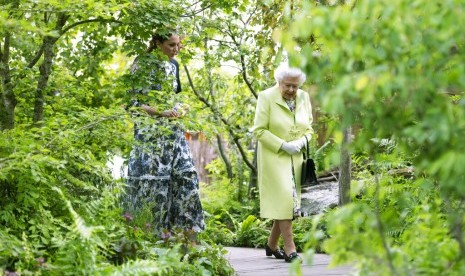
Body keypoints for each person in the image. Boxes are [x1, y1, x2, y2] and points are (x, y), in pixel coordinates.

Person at [124, 31, 205, 242]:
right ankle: (150, 238)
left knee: (186, 178)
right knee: (154, 186)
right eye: (171, 45)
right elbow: (131, 105)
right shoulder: (142, 63)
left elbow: (177, 98)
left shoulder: (174, 66)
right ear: (158, 43)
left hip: (174, 133)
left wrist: (181, 109)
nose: (176, 49)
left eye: (178, 45)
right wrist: (160, 112)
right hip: (149, 136)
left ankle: (187, 238)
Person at [251, 63, 313, 262]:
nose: (292, 90)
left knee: (289, 202)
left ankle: (271, 244)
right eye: (287, 85)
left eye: (295, 86)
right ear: (279, 82)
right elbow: (259, 130)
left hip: (296, 157)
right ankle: (290, 248)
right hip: (274, 157)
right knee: (286, 199)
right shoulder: (266, 97)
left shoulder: (304, 97)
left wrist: (302, 141)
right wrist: (284, 146)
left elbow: (309, 127)